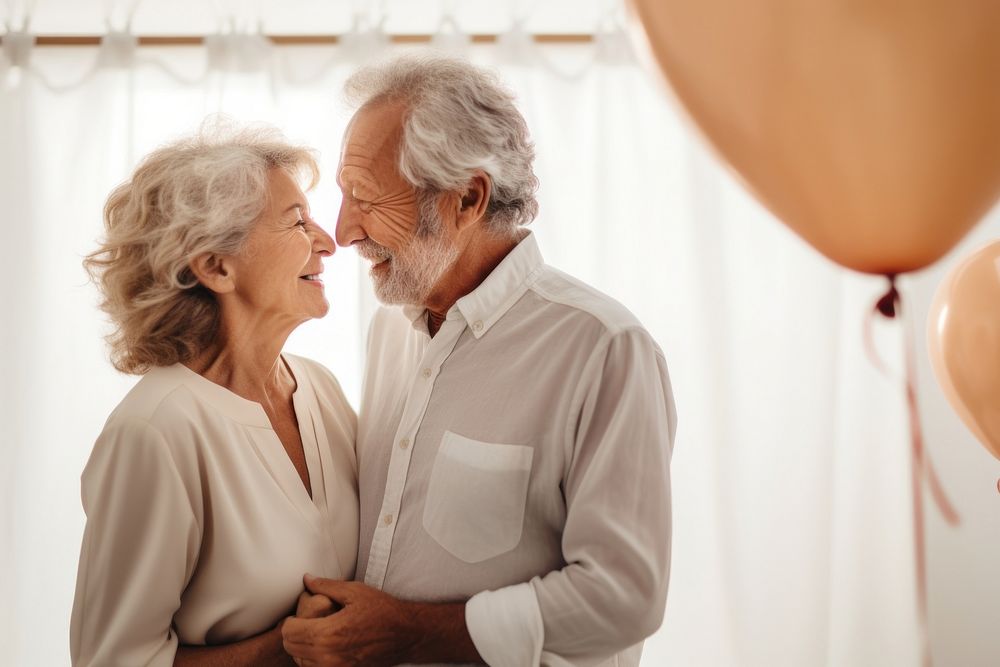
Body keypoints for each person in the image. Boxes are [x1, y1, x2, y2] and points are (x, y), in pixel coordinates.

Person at [282, 55, 677, 666]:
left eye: (366, 198)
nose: (344, 230)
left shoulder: (603, 349)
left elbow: (624, 599)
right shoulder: (391, 328)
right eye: (342, 194)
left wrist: (407, 632)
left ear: (466, 198)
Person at [71, 123, 358, 666]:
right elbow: (111, 661)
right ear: (216, 267)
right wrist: (283, 648)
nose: (328, 240)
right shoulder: (155, 431)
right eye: (298, 221)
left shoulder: (320, 389)